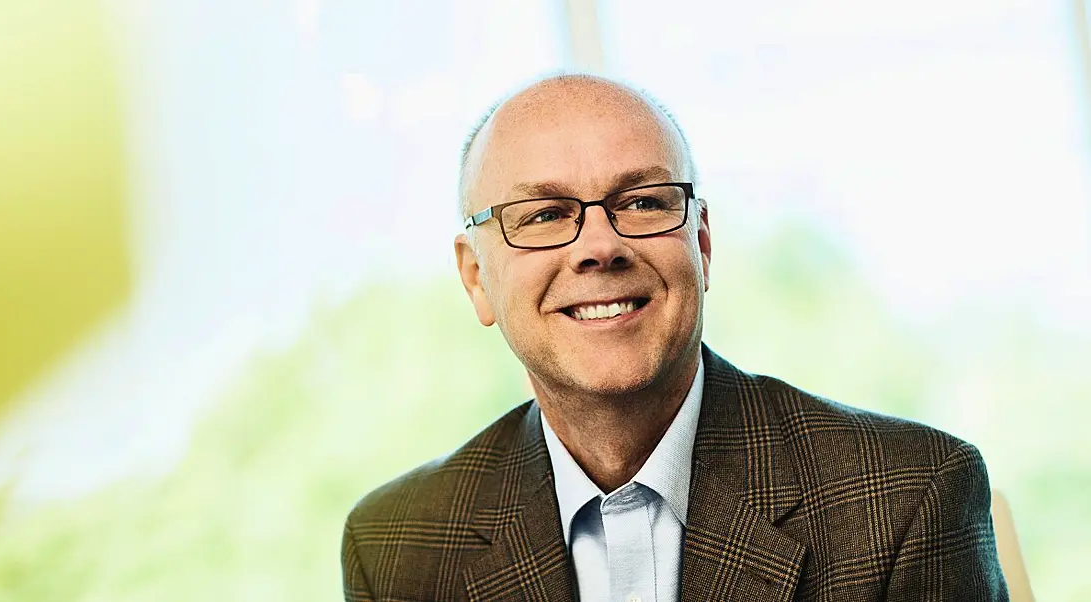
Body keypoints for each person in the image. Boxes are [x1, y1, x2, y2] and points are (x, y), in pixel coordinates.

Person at [341, 74, 1008, 601]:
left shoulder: (908, 496)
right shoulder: (396, 546)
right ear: (475, 279)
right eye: (544, 214)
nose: (600, 246)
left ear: (704, 244)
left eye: (643, 202)